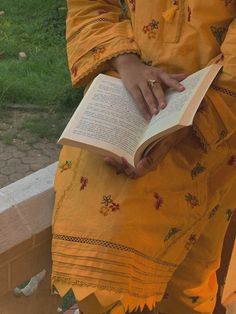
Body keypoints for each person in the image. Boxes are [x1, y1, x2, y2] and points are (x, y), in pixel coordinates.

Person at [51, 1, 236, 313]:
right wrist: (125, 61)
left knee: (188, 286)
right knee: (99, 272)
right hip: (126, 94)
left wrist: (194, 118)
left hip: (210, 117)